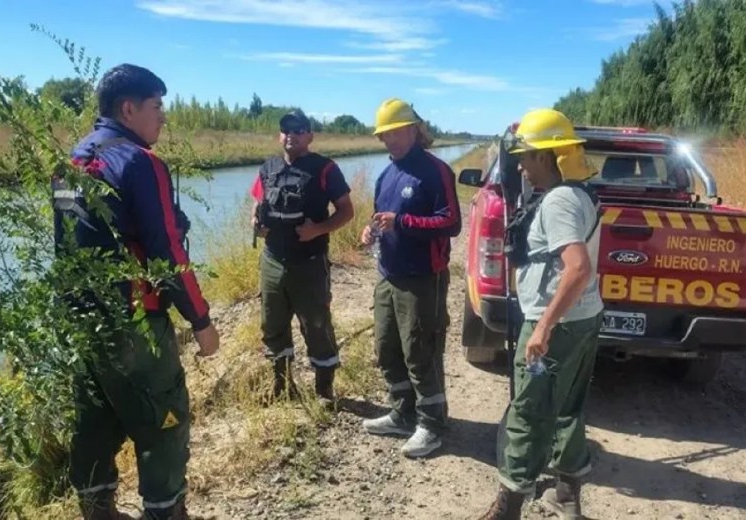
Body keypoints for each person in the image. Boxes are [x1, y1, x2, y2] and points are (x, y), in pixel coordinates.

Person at [55, 64, 220, 520]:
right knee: (163, 422)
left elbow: (72, 243)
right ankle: (167, 512)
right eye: (157, 106)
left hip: (85, 320)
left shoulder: (70, 161)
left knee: (95, 417)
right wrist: (200, 320)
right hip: (134, 322)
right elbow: (166, 252)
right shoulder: (139, 162)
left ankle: (97, 509)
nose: (163, 117)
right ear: (128, 108)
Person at [478, 108, 604, 520]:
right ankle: (566, 496)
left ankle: (507, 508)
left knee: (528, 413)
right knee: (568, 407)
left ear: (548, 158)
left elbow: (578, 268)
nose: (521, 165)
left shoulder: (558, 202)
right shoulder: (580, 192)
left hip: (555, 326)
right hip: (582, 320)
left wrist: (543, 327)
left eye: (527, 156)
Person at [359, 98, 461, 458]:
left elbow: (451, 223)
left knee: (421, 352)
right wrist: (370, 231)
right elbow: (379, 216)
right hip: (388, 274)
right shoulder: (388, 174)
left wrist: (403, 223)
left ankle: (432, 424)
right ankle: (403, 413)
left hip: (423, 278)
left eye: (397, 132)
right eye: (384, 135)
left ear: (415, 129)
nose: (391, 140)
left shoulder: (435, 171)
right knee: (387, 349)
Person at [250, 109, 354, 409]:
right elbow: (256, 205)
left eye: (298, 130)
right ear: (279, 135)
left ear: (310, 135)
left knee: (317, 325)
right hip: (272, 261)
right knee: (273, 325)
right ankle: (282, 385)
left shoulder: (325, 169)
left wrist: (317, 230)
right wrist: (255, 225)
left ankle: (324, 391)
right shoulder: (267, 167)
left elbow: (347, 211)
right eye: (285, 130)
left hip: (309, 261)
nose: (291, 135)